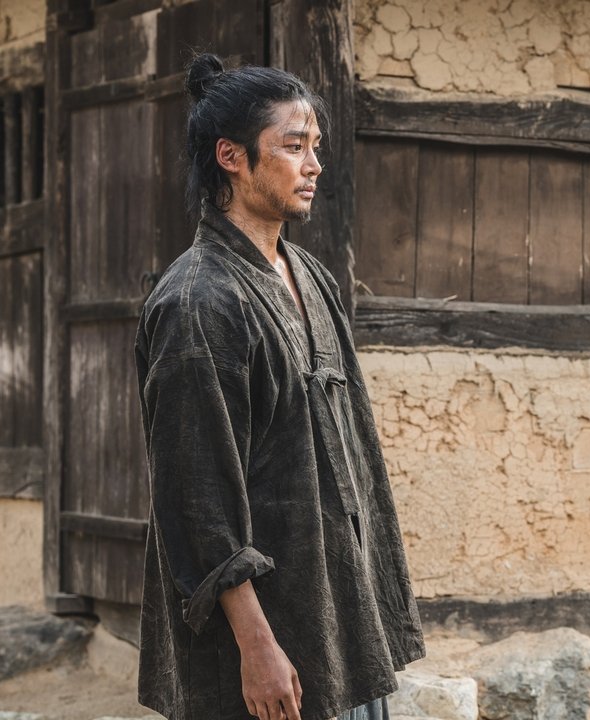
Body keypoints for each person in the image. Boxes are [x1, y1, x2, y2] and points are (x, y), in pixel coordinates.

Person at [134, 54, 424, 720]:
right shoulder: (198, 303)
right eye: (294, 147)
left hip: (340, 618)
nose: (314, 165)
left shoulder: (310, 275)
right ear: (232, 157)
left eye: (315, 146)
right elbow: (196, 498)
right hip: (263, 651)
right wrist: (257, 648)